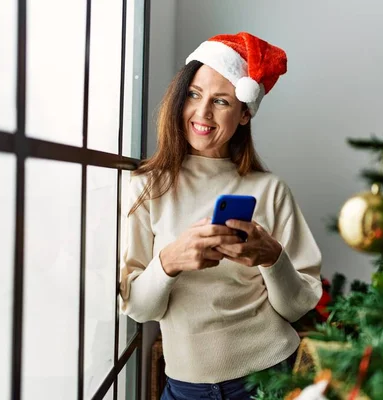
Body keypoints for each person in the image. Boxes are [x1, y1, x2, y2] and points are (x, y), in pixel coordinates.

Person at [119, 32, 323, 400]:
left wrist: (272, 258)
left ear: (244, 113)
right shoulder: (146, 188)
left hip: (270, 376)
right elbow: (140, 309)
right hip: (185, 387)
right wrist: (168, 262)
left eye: (221, 101)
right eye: (194, 95)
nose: (203, 113)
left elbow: (297, 306)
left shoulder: (270, 190)